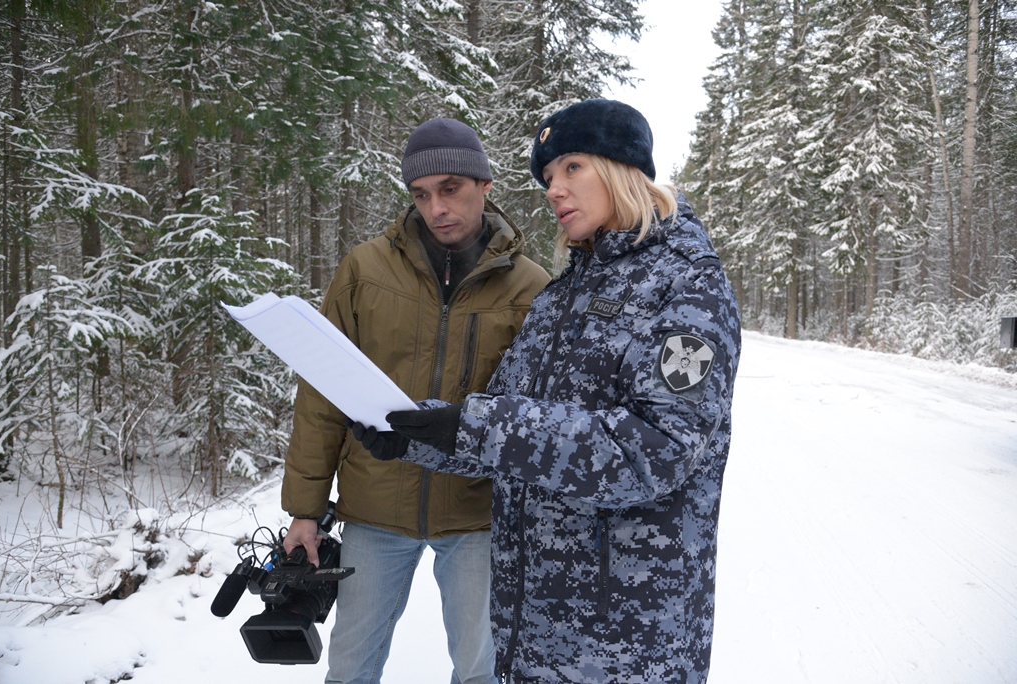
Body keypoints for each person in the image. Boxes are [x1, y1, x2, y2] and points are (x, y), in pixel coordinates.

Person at [351, 99, 742, 683]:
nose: (555, 190)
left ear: (620, 167)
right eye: (548, 178)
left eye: (572, 168)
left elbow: (654, 451)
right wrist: (415, 435)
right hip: (532, 628)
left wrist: (477, 426)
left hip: (626, 641)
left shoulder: (687, 284)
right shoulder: (561, 297)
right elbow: (508, 428)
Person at [281, 117, 550, 684]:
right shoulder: (365, 271)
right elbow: (321, 395)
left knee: (481, 670)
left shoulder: (530, 287)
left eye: (451, 188)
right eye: (421, 195)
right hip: (375, 508)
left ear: (485, 186)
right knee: (351, 667)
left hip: (477, 513)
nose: (437, 209)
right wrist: (305, 510)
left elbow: (535, 418)